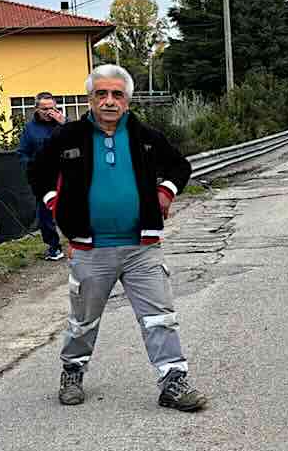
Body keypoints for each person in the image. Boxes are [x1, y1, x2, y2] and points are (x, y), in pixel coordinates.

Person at [28, 64, 207, 411]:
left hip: (142, 248)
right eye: (101, 94)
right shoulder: (67, 137)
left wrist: (166, 193)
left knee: (160, 317)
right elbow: (37, 171)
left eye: (116, 94)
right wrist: (55, 205)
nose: (109, 101)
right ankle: (73, 372)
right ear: (90, 98)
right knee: (83, 320)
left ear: (127, 100)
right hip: (90, 249)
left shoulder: (145, 136)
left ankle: (173, 382)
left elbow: (179, 166)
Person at [17, 91, 66, 261]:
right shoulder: (30, 129)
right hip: (42, 178)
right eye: (44, 109)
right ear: (36, 109)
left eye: (51, 108)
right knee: (45, 214)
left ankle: (82, 243)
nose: (48, 112)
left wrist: (63, 124)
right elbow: (22, 152)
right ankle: (54, 246)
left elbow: (78, 142)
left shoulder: (63, 124)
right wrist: (31, 165)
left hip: (65, 174)